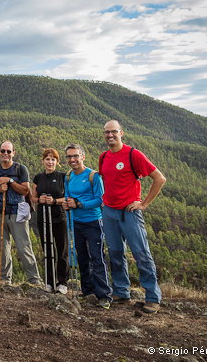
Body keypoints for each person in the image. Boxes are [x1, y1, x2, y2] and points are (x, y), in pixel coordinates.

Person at [99, 120, 166, 314]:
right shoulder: (104, 157)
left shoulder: (132, 154)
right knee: (115, 253)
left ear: (121, 133)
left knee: (141, 254)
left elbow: (159, 178)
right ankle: (121, 292)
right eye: (107, 132)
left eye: (113, 132)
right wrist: (105, 200)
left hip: (130, 213)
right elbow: (107, 179)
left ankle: (153, 298)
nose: (110, 135)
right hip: (109, 212)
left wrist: (143, 204)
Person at [62, 144, 112, 309]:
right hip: (75, 223)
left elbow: (100, 200)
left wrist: (79, 204)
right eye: (69, 157)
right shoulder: (68, 176)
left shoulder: (93, 176)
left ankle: (104, 295)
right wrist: (67, 204)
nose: (72, 160)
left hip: (93, 222)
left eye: (75, 156)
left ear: (83, 156)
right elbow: (68, 197)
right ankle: (88, 291)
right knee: (82, 258)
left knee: (97, 258)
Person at [0, 141, 42, 286]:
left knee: (23, 246)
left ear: (13, 153)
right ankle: (5, 279)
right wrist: (0, 189)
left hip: (18, 213)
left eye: (8, 151)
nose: (5, 154)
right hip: (0, 213)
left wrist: (10, 181)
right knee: (3, 248)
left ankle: (34, 279)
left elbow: (25, 190)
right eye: (3, 151)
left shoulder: (20, 169)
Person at [30, 148, 69, 294]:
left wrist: (54, 201)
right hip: (43, 218)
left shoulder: (63, 177)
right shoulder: (38, 178)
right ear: (43, 161)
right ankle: (49, 282)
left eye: (53, 159)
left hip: (59, 217)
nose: (50, 162)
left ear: (57, 162)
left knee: (62, 250)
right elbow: (33, 197)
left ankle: (62, 282)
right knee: (47, 249)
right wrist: (39, 200)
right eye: (47, 159)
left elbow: (67, 197)